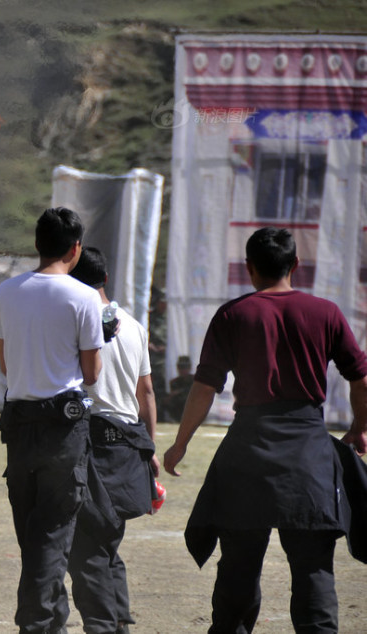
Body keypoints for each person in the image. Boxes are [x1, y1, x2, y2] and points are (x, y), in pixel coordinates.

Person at [163, 227, 367, 633]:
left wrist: (180, 442)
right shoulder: (325, 313)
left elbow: (205, 386)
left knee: (238, 571)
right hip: (308, 455)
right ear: (295, 265)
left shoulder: (233, 315)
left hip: (248, 454)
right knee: (313, 573)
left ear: (249, 268)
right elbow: (360, 378)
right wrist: (361, 428)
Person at [0, 207, 103, 634]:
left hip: (18, 425)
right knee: (52, 533)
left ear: (37, 244)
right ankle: (35, 624)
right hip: (63, 426)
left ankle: (51, 622)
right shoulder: (84, 297)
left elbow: (4, 364)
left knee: (33, 532)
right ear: (75, 249)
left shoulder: (7, 291)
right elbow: (91, 374)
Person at [67, 247, 159, 634]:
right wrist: (150, 451)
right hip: (128, 444)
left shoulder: (77, 323)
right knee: (108, 539)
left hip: (93, 442)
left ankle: (102, 625)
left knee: (85, 547)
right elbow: (147, 393)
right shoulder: (135, 326)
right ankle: (118, 618)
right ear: (105, 279)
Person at [148, 288, 167, 416]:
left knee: (161, 387)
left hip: (163, 360)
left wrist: (166, 347)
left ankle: (159, 413)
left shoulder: (170, 319)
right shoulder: (149, 316)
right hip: (150, 357)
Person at [160, 355, 193, 422]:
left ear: (189, 368)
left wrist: (179, 392)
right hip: (179, 408)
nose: (182, 370)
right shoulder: (174, 382)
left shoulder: (194, 380)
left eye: (184, 367)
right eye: (180, 367)